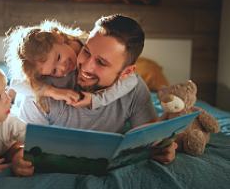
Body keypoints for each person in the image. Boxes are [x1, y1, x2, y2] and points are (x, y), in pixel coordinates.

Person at [10, 14, 178, 176]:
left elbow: (150, 136)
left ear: (126, 72)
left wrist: (163, 147)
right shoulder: (43, 83)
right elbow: (21, 141)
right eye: (86, 52)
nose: (85, 67)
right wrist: (18, 155)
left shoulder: (134, 90)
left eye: (101, 62)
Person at [4, 20, 139, 111]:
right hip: (24, 103)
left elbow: (132, 79)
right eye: (54, 71)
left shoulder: (92, 45)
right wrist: (52, 91)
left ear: (59, 37)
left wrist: (96, 100)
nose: (62, 68)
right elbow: (16, 82)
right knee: (23, 93)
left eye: (58, 58)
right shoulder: (45, 72)